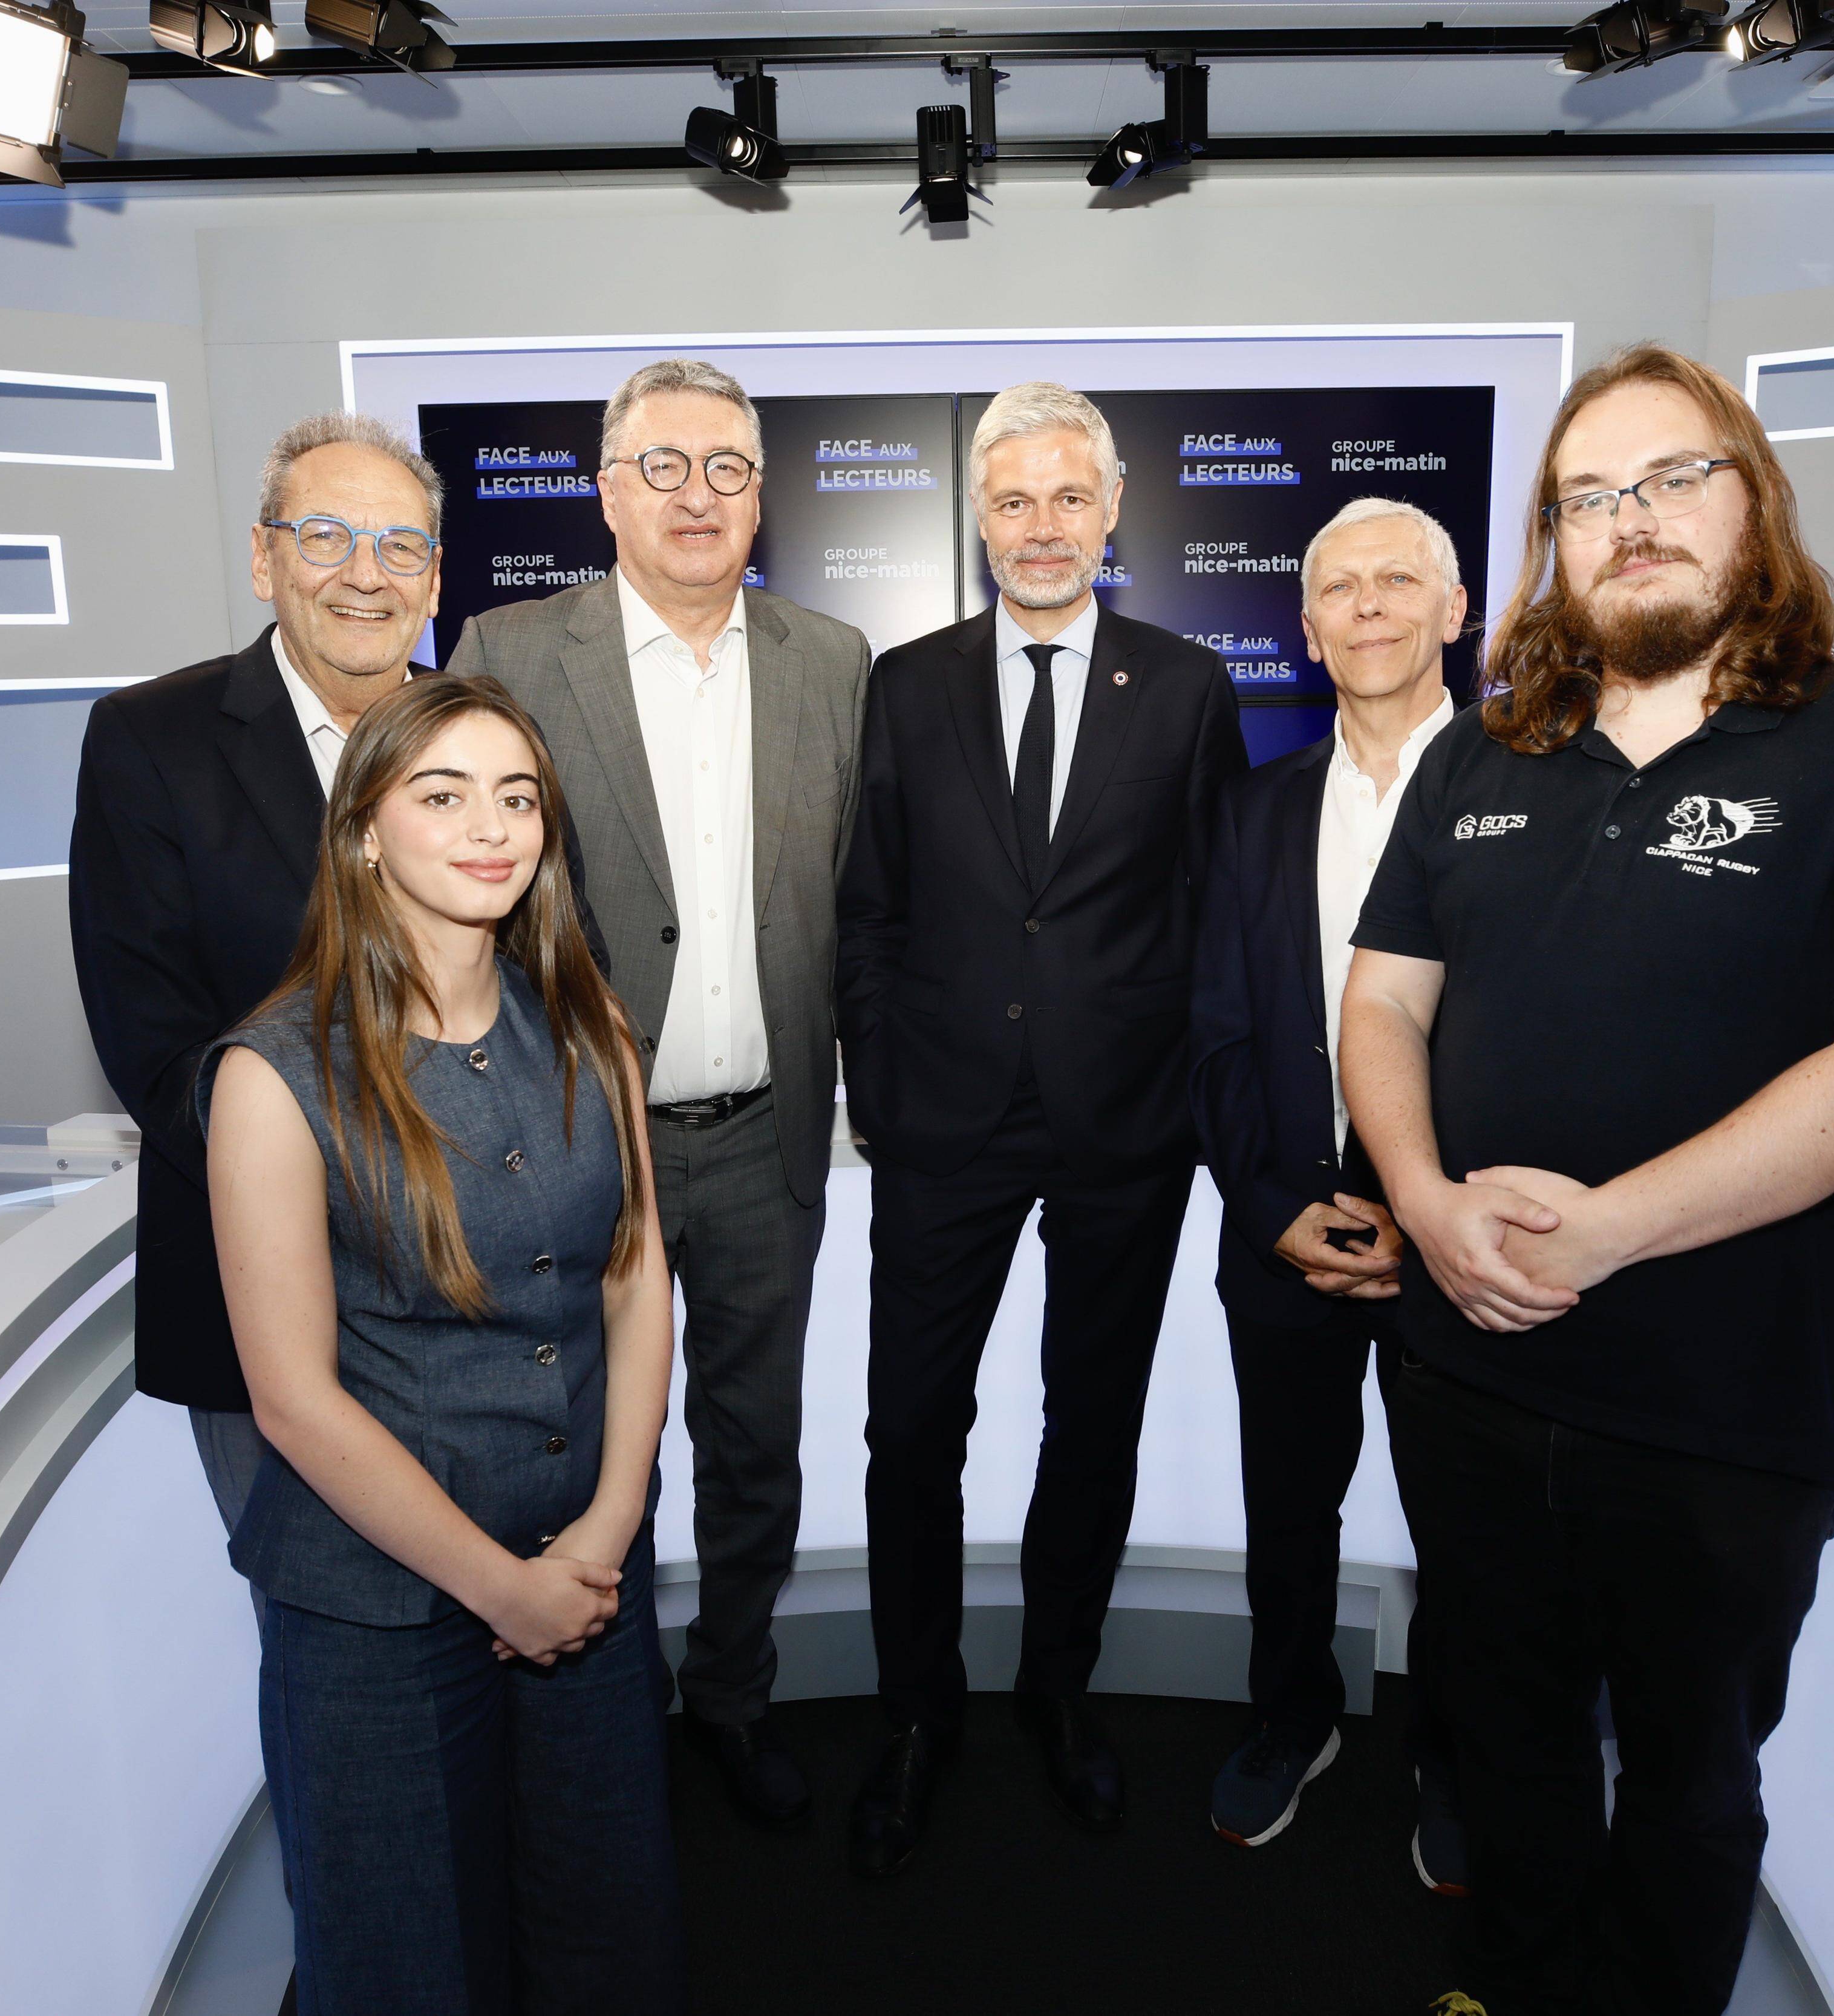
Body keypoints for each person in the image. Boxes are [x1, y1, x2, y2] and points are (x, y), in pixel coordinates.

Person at [1340, 344, 1834, 2016]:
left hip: (1721, 1409)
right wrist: (1424, 1199)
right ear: (1554, 542)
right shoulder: (1481, 754)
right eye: (1588, 497)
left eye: (1670, 478)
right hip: (1468, 1370)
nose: (1629, 520)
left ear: (1751, 499)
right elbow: (1382, 1005)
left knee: (1692, 1784)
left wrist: (1608, 1232)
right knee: (1506, 1744)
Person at [203, 675, 680, 2014]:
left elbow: (636, 1274)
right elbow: (293, 1402)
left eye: (517, 798)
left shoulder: (587, 1024)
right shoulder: (273, 1074)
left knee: (606, 1937)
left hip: (585, 1573)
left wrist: (606, 1531)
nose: (491, 828)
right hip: (380, 1609)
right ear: (364, 828)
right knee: (409, 1964)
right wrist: (503, 1589)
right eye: (444, 794)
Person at [449, 358, 871, 1831]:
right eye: (666, 467)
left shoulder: (833, 660)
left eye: (729, 469)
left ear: (761, 498)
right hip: (570, 1143)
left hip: (763, 1140)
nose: (700, 496)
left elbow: (860, 900)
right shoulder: (508, 649)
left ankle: (734, 1696)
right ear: (608, 492)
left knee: (755, 1445)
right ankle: (595, 1712)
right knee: (568, 1439)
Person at [836, 381, 1247, 1876]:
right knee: (908, 1430)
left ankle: (1057, 1689)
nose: (1041, 527)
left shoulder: (1186, 688)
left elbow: (1213, 914)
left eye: (1069, 497)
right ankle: (915, 1708)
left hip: (1121, 1128)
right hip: (941, 1123)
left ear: (1113, 507)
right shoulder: (906, 682)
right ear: (977, 516)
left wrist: (1192, 1101)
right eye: (1012, 501)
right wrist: (879, 1084)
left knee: (1093, 1424)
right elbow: (868, 906)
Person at [70, 411, 446, 1532]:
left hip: (480, 1290)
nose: (365, 576)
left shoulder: (483, 730)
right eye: (326, 536)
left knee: (503, 1600)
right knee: (320, 1618)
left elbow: (552, 983)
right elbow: (155, 1043)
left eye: (400, 546)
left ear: (434, 577)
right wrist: (359, 1198)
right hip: (266, 1293)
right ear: (263, 557)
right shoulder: (153, 741)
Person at [1187, 497, 1464, 1881]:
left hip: (1458, 1242)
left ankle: (1456, 1758)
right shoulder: (1254, 807)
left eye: (1396, 582)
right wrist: (1265, 1207)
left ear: (1453, 611)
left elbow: (1547, 1043)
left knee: (1466, 1527)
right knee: (1287, 1511)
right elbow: (1215, 1028)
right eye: (1339, 589)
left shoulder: (1530, 794)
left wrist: (1433, 1213)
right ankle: (1291, 1718)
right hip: (1286, 1229)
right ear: (1304, 629)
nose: (1366, 608)